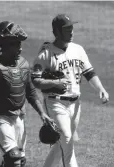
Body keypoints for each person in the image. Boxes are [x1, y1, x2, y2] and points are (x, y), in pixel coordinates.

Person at [31, 14, 109, 167]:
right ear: (57, 32)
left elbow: (89, 73)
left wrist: (100, 88)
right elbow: (35, 80)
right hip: (55, 103)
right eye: (67, 29)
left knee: (62, 144)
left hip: (75, 105)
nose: (72, 32)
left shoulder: (78, 49)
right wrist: (55, 82)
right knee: (66, 139)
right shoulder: (46, 53)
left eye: (72, 28)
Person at [0, 21, 53, 167]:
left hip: (19, 118)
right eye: (16, 44)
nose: (20, 48)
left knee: (19, 161)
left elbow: (31, 93)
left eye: (20, 44)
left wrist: (43, 114)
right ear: (5, 45)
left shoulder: (23, 65)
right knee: (13, 157)